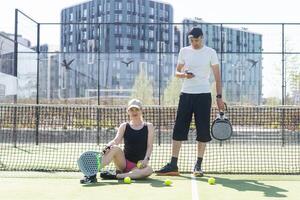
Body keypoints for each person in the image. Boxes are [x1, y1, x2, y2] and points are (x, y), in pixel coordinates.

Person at [156, 27, 225, 177]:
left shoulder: (210, 52)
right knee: (178, 129)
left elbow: (217, 77)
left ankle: (198, 166)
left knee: (202, 131)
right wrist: (184, 75)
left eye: (197, 40)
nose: (194, 43)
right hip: (186, 94)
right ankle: (173, 165)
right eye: (192, 40)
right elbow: (176, 72)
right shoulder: (184, 51)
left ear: (202, 38)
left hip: (203, 95)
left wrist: (219, 97)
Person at [80, 99, 154, 184]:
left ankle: (116, 176)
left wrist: (146, 159)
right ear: (128, 111)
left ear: (141, 110)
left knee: (149, 170)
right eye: (131, 110)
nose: (134, 112)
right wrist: (107, 146)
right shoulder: (124, 126)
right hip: (123, 163)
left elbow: (149, 146)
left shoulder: (149, 126)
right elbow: (116, 141)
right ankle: (91, 174)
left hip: (138, 166)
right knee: (114, 148)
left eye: (137, 109)